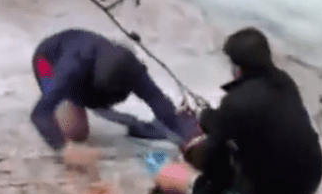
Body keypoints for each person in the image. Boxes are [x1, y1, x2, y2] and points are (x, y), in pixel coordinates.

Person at [141, 28, 322, 194]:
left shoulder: (237, 103)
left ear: (237, 67)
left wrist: (192, 147)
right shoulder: (284, 81)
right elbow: (248, 118)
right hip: (307, 186)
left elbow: (206, 158)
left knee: (172, 172)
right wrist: (211, 119)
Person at [30, 28, 198, 157]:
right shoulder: (71, 69)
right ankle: (70, 104)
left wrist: (187, 137)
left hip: (86, 70)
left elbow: (160, 103)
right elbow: (39, 114)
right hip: (47, 61)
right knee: (74, 132)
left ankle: (80, 104)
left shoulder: (133, 70)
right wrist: (63, 148)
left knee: (78, 126)